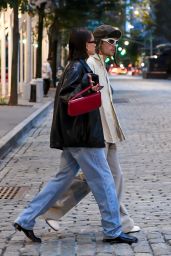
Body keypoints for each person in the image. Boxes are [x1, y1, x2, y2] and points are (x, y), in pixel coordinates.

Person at [13, 28, 138, 244]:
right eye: (90, 42)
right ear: (83, 45)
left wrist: (90, 88)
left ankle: (25, 219)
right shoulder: (79, 66)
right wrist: (89, 91)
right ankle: (113, 230)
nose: (93, 45)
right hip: (84, 136)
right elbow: (68, 97)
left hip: (77, 136)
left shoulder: (78, 65)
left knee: (61, 180)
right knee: (105, 181)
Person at [44, 25, 140, 234]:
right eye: (111, 42)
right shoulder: (89, 64)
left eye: (116, 42)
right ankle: (52, 210)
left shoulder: (100, 65)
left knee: (113, 177)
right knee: (93, 178)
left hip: (108, 131)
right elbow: (79, 99)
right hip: (96, 132)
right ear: (98, 43)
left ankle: (120, 220)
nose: (115, 46)